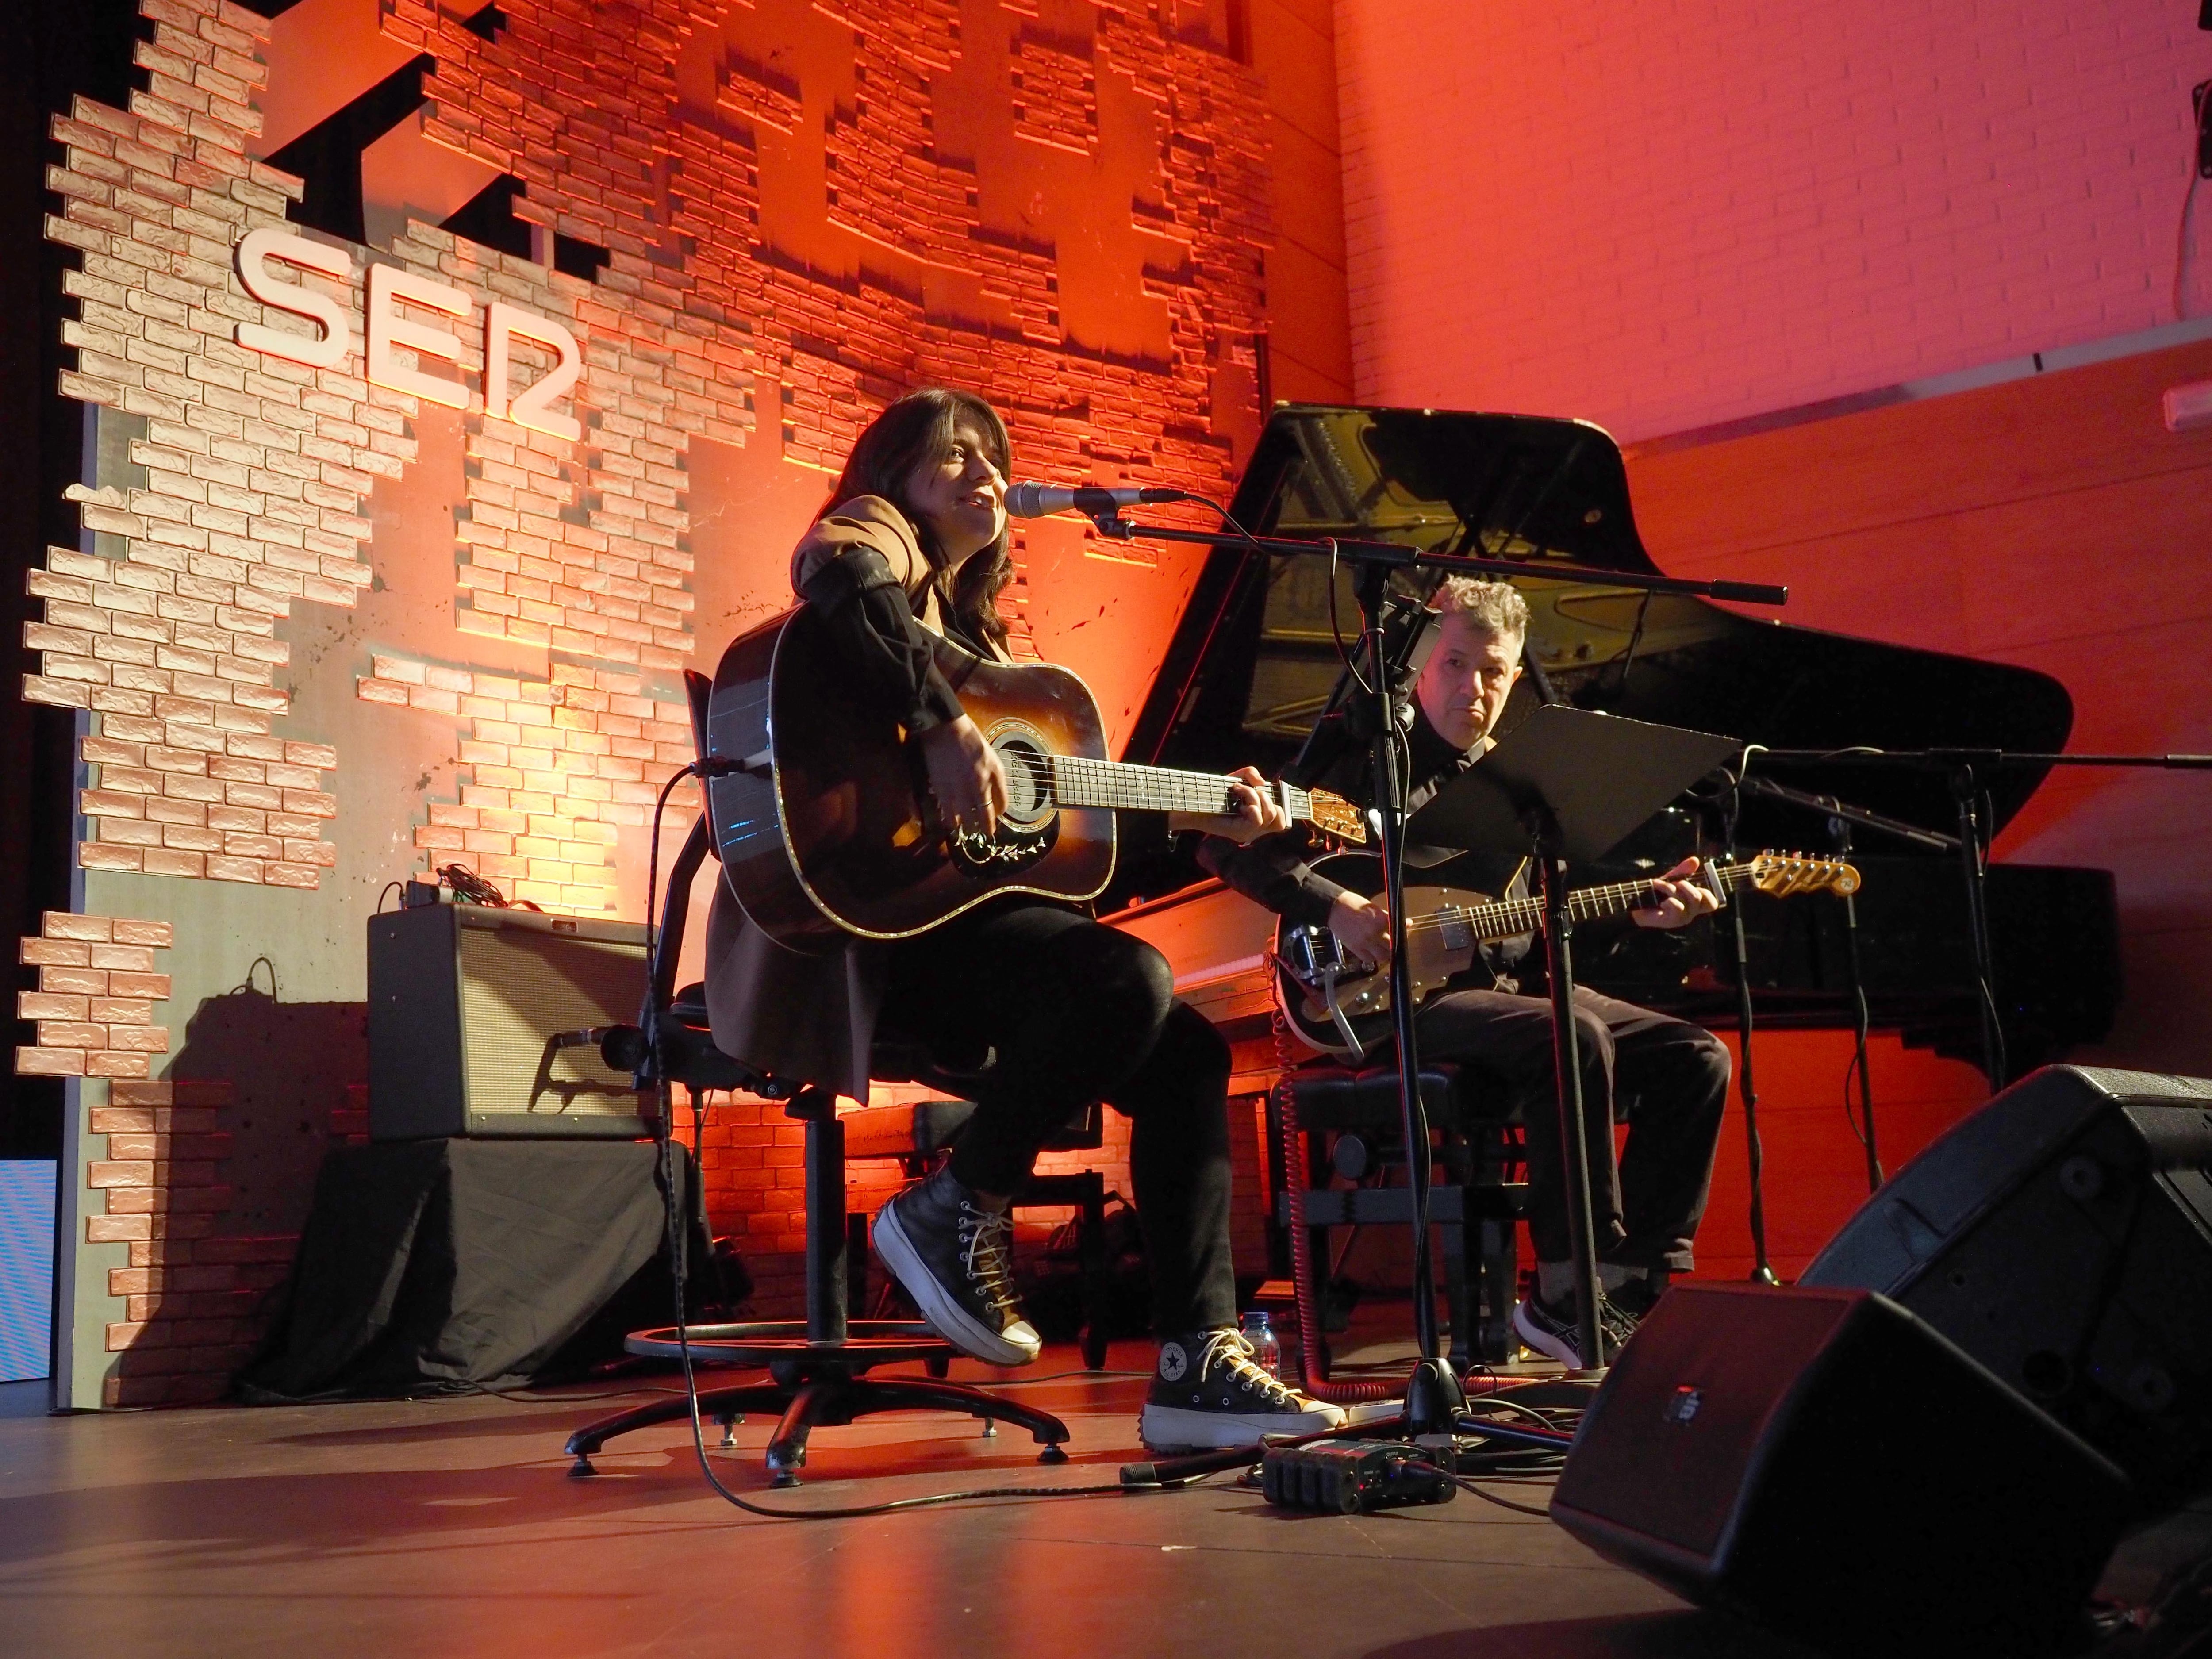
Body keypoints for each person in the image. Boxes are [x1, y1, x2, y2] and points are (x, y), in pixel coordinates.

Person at [702, 387, 1346, 1452]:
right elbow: (836, 572)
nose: (983, 474)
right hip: (863, 940)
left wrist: (1224, 812)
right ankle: (954, 1206)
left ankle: (1196, 1368)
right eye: (950, 458)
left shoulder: (993, 653)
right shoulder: (879, 545)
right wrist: (940, 721)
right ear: (892, 479)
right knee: (1126, 979)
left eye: (993, 460)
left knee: (1183, 1051)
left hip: (964, 942)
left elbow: (1063, 855)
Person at [1200, 578, 1733, 1370]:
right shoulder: (1368, 758)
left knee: (1698, 1056)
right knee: (1573, 1034)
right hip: (1400, 1003)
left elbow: (1536, 929)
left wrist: (1649, 913)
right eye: (1455, 663)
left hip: (1503, 993)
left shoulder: (1520, 785)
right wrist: (1336, 903)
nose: (1473, 687)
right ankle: (1565, 1290)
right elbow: (1226, 846)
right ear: (1421, 665)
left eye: (1493, 672)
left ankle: (1630, 1278)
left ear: (1516, 678)